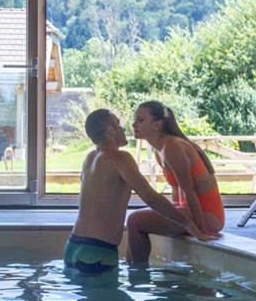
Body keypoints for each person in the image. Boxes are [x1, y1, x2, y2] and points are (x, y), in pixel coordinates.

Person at [65, 109, 204, 274]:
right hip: (98, 252)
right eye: (119, 124)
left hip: (73, 247)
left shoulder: (89, 159)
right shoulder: (120, 158)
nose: (124, 129)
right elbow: (151, 198)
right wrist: (187, 223)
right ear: (110, 129)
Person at [125, 101, 225, 266]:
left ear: (157, 124)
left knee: (135, 220)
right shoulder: (161, 151)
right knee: (137, 219)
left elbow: (189, 191)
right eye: (135, 120)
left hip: (208, 216)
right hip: (192, 213)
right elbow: (177, 193)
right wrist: (176, 216)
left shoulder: (173, 147)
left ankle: (137, 275)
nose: (134, 124)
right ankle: (134, 269)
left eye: (140, 120)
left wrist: (200, 230)